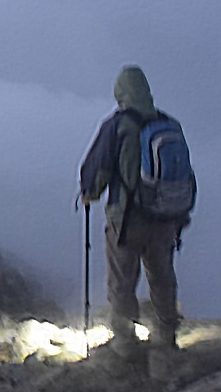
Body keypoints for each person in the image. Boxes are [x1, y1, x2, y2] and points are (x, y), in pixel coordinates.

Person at [79, 65, 194, 359]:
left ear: (121, 93)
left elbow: (98, 169)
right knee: (162, 277)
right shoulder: (169, 123)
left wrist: (89, 193)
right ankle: (165, 338)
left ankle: (125, 343)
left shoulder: (118, 125)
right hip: (165, 218)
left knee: (122, 281)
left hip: (128, 219)